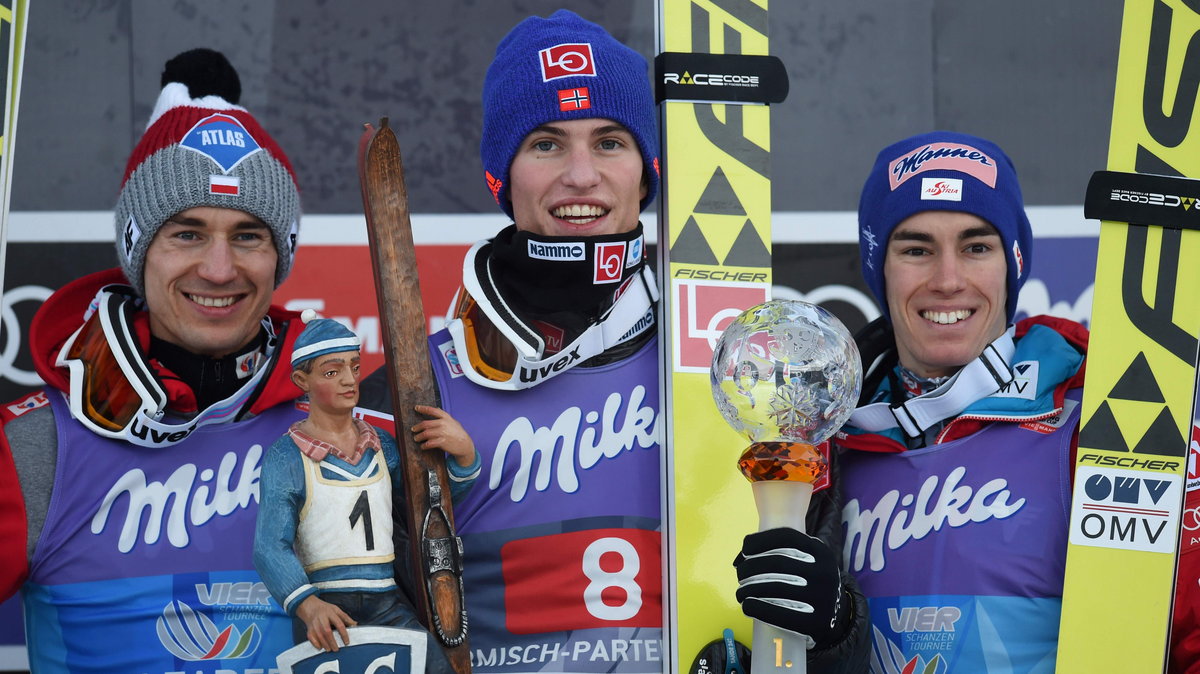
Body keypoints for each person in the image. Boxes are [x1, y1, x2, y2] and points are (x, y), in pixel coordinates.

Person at [360, 9, 867, 673]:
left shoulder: (750, 376)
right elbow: (363, 622)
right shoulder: (408, 392)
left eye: (609, 142)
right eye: (546, 144)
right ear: (501, 176)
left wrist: (833, 626)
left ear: (648, 169)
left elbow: (834, 654)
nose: (580, 175)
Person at [0, 49, 313, 671]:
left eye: (248, 235)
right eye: (187, 233)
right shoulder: (34, 452)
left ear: (281, 255)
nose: (219, 270)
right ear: (138, 251)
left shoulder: (351, 429)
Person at [734, 131, 1089, 672]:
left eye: (976, 247)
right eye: (917, 249)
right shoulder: (817, 447)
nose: (948, 280)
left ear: (1012, 263)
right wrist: (824, 633)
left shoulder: (1100, 425)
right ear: (881, 267)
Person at [254, 311, 479, 670]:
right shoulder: (287, 457)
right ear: (302, 379)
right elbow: (269, 546)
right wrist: (307, 605)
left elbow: (427, 508)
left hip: (388, 600)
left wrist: (464, 456)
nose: (348, 380)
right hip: (327, 608)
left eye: (354, 367)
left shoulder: (381, 447)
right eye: (332, 372)